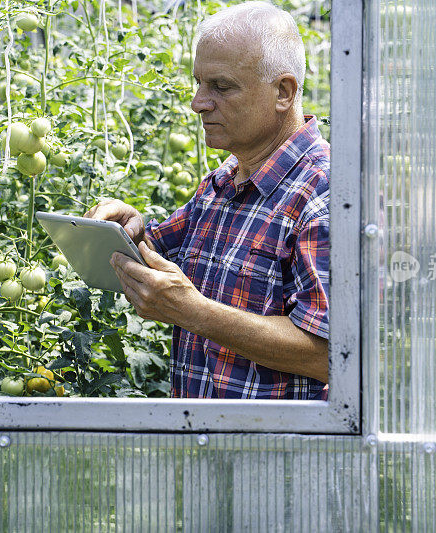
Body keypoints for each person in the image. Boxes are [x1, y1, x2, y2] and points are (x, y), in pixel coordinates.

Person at [85, 1, 329, 399]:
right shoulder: (222, 185)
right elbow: (155, 264)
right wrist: (123, 228)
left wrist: (195, 313)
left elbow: (331, 353)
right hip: (202, 449)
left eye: (221, 86)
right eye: (199, 83)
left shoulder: (325, 194)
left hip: (277, 455)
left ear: (284, 92)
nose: (198, 102)